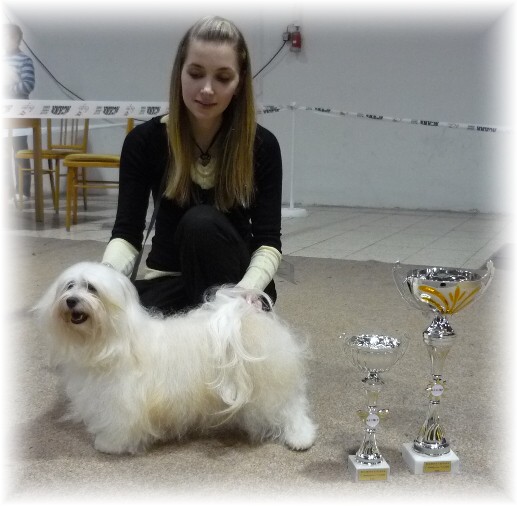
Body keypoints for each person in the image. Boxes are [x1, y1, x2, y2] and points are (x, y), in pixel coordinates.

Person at [102, 16, 283, 314]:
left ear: (239, 84)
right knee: (112, 320)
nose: (207, 89)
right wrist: (100, 279)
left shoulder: (263, 145)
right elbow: (127, 234)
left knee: (200, 222)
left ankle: (226, 315)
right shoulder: (143, 141)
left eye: (223, 78)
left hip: (235, 286)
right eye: (196, 73)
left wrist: (246, 290)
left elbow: (268, 242)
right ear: (179, 73)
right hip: (170, 281)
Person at [2, 23, 36, 200]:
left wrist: (7, 89)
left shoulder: (25, 60)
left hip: (19, 113)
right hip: (3, 112)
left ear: (16, 39)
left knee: (20, 151)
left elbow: (28, 85)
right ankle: (6, 192)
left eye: (7, 37)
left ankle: (23, 191)